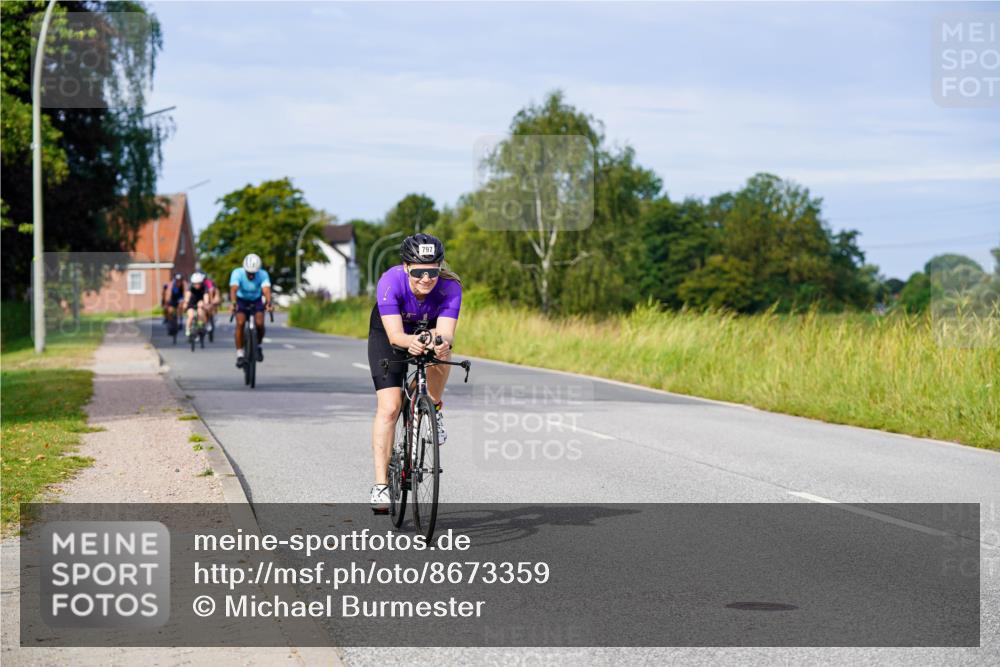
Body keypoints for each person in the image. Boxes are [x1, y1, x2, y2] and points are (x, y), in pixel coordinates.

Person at [367, 233, 461, 513]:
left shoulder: (450, 287)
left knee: (443, 352)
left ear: (440, 267)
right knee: (390, 407)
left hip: (427, 332)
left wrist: (437, 343)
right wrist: (416, 341)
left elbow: (445, 333)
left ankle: (431, 405)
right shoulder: (390, 281)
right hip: (388, 335)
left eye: (432, 271)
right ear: (406, 267)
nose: (426, 278)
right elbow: (396, 336)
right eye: (418, 271)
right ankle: (381, 485)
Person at [229, 253, 273, 368]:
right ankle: (240, 354)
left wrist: (268, 303)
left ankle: (257, 346)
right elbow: (234, 289)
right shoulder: (237, 273)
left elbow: (266, 289)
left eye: (254, 273)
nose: (251, 276)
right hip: (241, 300)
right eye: (249, 273)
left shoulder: (263, 274)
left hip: (256, 300)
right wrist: (233, 303)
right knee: (240, 323)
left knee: (260, 324)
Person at [182, 272, 209, 337]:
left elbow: (206, 297)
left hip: (200, 302)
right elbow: (187, 296)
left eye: (198, 283)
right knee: (191, 316)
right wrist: (185, 303)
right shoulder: (190, 287)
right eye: (195, 284)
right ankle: (188, 329)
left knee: (200, 309)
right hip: (191, 303)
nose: (197, 285)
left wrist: (206, 304)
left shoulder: (204, 287)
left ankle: (201, 324)